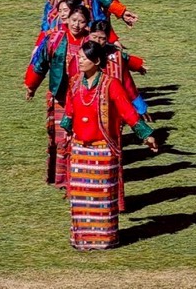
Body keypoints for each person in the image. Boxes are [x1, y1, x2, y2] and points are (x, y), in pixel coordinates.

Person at [60, 40, 160, 250]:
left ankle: (104, 239)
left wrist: (145, 134)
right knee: (80, 198)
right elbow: (70, 108)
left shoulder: (111, 84)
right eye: (79, 56)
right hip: (80, 148)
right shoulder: (75, 82)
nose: (80, 60)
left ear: (96, 61)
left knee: (102, 196)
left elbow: (127, 111)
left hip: (103, 149)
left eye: (84, 58)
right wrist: (66, 132)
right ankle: (82, 239)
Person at [27, 6, 93, 189]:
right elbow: (40, 64)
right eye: (74, 20)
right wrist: (31, 86)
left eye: (81, 21)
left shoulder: (91, 42)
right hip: (61, 97)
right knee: (61, 138)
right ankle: (61, 179)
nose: (77, 25)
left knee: (79, 137)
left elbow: (113, 59)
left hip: (85, 97)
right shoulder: (55, 39)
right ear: (67, 20)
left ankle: (78, 177)